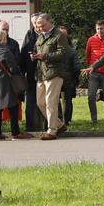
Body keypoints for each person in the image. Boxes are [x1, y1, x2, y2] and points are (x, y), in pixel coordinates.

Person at [30, 13, 72, 141]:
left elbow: (64, 53)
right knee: (40, 102)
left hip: (54, 73)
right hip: (41, 74)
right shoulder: (41, 37)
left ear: (50, 22)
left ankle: (52, 131)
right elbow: (38, 51)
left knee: (51, 102)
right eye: (38, 26)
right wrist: (35, 55)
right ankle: (59, 125)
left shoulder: (59, 35)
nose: (40, 28)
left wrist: (45, 56)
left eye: (42, 25)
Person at [0, 29, 28, 140]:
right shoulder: (4, 51)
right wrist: (18, 73)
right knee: (13, 106)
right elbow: (13, 68)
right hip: (6, 82)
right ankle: (15, 133)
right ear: (3, 39)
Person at [85, 19, 104, 126]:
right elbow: (87, 55)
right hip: (94, 72)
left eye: (101, 28)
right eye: (97, 28)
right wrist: (89, 68)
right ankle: (94, 119)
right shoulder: (91, 40)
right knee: (91, 96)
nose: (99, 31)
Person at [56, 25, 81, 127]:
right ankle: (67, 121)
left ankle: (59, 120)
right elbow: (77, 67)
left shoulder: (53, 49)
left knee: (55, 100)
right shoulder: (71, 50)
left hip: (56, 77)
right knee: (67, 101)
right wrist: (75, 78)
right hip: (68, 78)